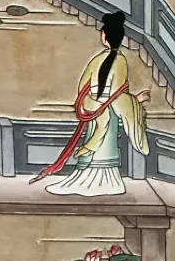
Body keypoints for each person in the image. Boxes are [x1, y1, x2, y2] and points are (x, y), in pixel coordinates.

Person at [35, 10, 151, 197]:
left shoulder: (96, 59)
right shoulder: (120, 61)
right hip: (108, 109)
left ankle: (88, 174)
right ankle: (105, 181)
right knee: (105, 141)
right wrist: (136, 100)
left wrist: (91, 103)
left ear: (104, 37)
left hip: (93, 108)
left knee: (95, 136)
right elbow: (117, 94)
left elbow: (83, 86)